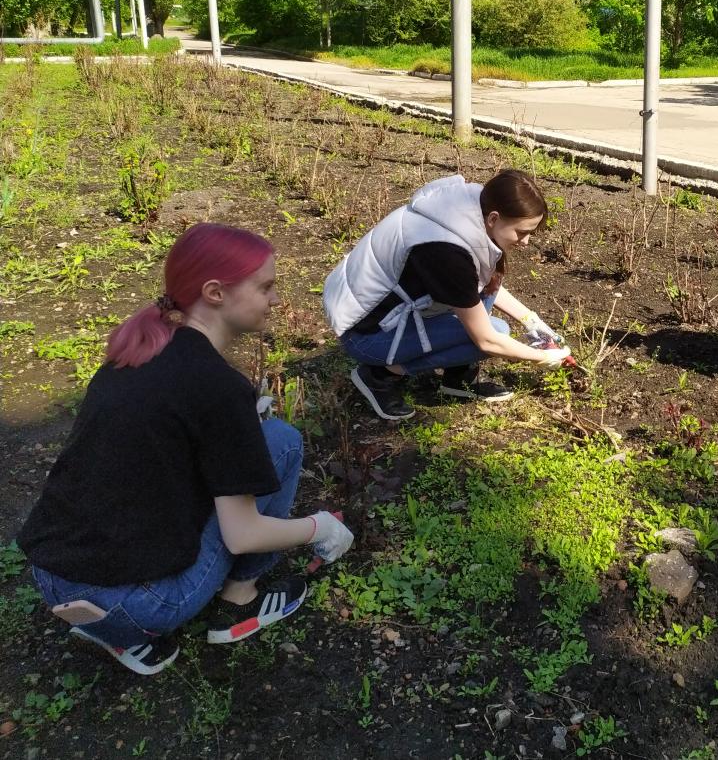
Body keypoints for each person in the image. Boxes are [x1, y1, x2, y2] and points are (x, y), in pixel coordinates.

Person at [16, 223, 354, 676]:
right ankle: (241, 602)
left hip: (53, 578)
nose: (276, 300)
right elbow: (242, 534)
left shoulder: (135, 349)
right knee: (281, 442)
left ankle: (113, 633)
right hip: (139, 605)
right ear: (215, 292)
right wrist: (319, 528)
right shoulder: (217, 385)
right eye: (266, 287)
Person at [324, 169, 573, 420]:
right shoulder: (447, 250)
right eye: (521, 232)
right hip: (365, 334)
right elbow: (486, 340)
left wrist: (531, 320)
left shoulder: (468, 207)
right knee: (496, 334)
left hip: (369, 311)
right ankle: (380, 376)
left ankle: (457, 377)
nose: (526, 242)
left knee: (493, 324)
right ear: (494, 218)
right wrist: (541, 357)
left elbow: (479, 286)